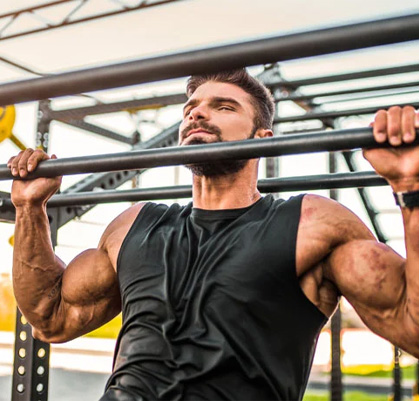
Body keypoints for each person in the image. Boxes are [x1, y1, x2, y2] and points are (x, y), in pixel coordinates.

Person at [8, 69, 419, 401]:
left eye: (223, 107)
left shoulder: (312, 223)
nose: (197, 115)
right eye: (191, 107)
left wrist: (411, 187)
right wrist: (30, 209)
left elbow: (411, 325)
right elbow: (50, 317)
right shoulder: (134, 224)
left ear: (263, 140)